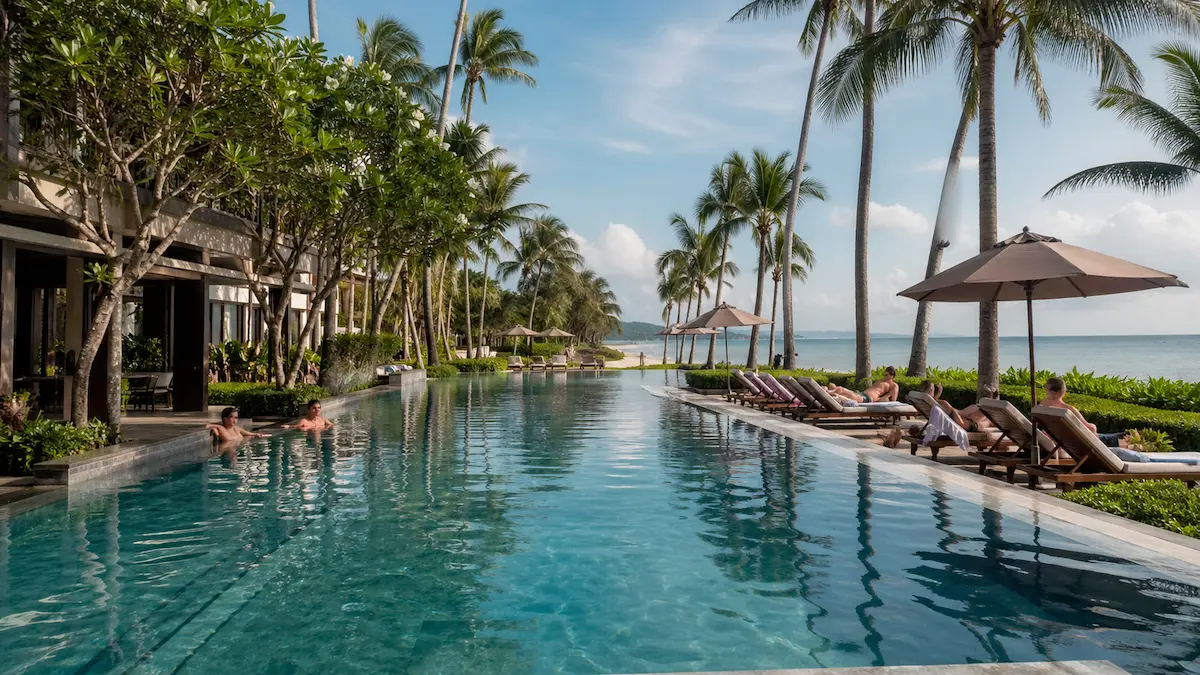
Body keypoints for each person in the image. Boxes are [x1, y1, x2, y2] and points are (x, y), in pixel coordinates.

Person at [1039, 377, 1128, 448]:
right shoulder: (1067, 410)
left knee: (1114, 435)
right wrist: (1093, 426)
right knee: (1111, 437)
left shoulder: (1042, 406)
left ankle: (1124, 435)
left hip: (1058, 439)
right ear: (1063, 392)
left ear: (1047, 388)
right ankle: (1128, 438)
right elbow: (1090, 429)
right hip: (1078, 443)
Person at [922, 380, 995, 431]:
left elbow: (935, 402)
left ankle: (989, 401)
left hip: (960, 421)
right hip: (966, 424)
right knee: (985, 418)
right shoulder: (943, 403)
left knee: (980, 412)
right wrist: (957, 413)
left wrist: (938, 395)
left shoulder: (926, 401)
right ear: (931, 389)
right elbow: (961, 423)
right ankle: (990, 401)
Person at [826, 366, 900, 403]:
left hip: (868, 398)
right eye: (884, 374)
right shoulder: (881, 380)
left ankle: (828, 394)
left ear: (892, 376)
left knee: (847, 395)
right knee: (840, 389)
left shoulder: (893, 385)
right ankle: (826, 393)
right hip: (862, 394)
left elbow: (893, 400)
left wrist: (884, 397)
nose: (884, 376)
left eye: (886, 375)